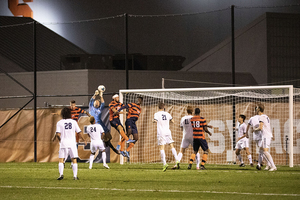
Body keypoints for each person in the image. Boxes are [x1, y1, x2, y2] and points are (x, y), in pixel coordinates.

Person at [52, 107, 87, 180]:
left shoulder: (59, 122)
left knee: (61, 159)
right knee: (74, 160)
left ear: (62, 114)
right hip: (72, 143)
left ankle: (61, 175)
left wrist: (60, 140)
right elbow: (79, 132)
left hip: (63, 143)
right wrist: (84, 140)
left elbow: (58, 134)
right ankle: (75, 176)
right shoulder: (73, 122)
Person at [89, 90, 119, 155]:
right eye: (95, 101)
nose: (97, 102)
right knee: (100, 141)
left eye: (98, 102)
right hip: (96, 128)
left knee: (109, 138)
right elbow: (91, 100)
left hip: (101, 126)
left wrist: (101, 95)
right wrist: (95, 94)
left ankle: (107, 144)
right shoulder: (91, 108)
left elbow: (103, 102)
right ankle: (93, 155)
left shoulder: (100, 109)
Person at [153, 102, 179, 172]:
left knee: (162, 148)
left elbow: (155, 120)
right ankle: (177, 160)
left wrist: (154, 121)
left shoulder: (156, 114)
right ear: (164, 107)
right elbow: (173, 121)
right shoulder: (167, 114)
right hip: (168, 132)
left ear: (158, 107)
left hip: (161, 133)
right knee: (171, 145)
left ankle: (164, 163)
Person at [253, 104, 277, 171]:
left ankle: (273, 166)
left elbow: (260, 127)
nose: (256, 110)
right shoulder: (266, 116)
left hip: (266, 136)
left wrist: (255, 129)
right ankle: (268, 165)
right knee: (261, 150)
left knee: (265, 151)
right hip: (266, 135)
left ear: (259, 109)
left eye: (257, 108)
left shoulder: (261, 117)